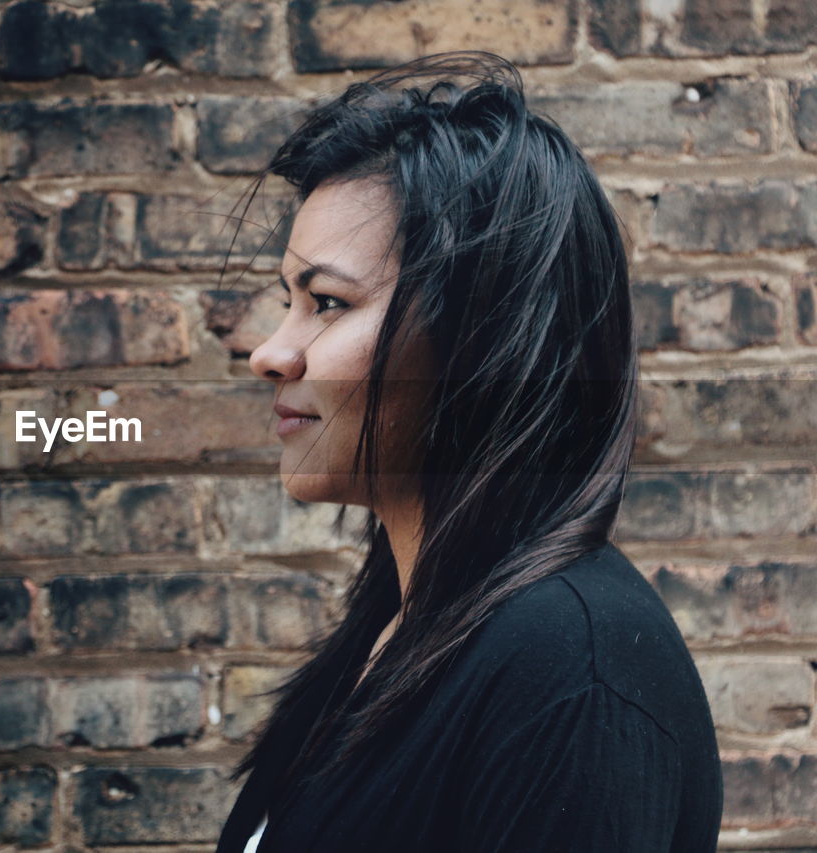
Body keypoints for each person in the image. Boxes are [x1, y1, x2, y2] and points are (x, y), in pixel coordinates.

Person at [215, 52, 723, 852]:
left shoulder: (569, 671)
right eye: (290, 300)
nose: (271, 353)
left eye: (327, 303)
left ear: (478, 339)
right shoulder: (408, 615)